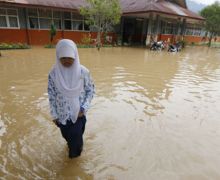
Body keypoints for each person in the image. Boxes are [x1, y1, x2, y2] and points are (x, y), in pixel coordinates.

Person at [48, 39, 95, 158]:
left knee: (75, 145)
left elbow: (90, 91)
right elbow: (52, 95)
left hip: (78, 115)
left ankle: (73, 164)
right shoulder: (53, 74)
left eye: (70, 57)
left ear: (75, 55)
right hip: (62, 116)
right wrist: (54, 115)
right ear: (58, 57)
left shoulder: (83, 72)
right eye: (63, 58)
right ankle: (74, 145)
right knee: (68, 138)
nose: (67, 61)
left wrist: (83, 108)